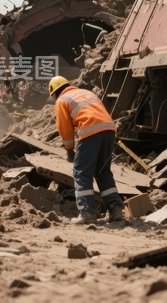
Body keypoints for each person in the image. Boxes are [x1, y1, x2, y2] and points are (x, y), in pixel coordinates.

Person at [49, 76, 125, 225]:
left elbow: (65, 129)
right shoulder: (87, 93)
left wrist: (69, 150)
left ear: (54, 93)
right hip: (109, 129)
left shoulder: (62, 100)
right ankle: (116, 210)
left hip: (91, 131)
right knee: (103, 171)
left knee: (81, 172)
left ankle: (87, 213)